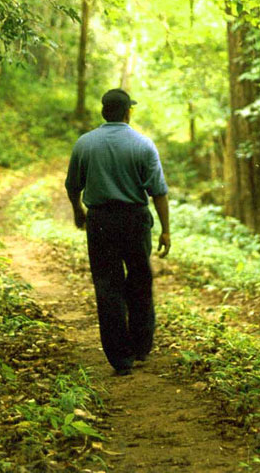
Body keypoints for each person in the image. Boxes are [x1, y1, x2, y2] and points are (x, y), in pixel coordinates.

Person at [65, 88, 171, 376]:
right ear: (128, 112)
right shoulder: (143, 145)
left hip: (100, 222)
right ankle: (140, 346)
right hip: (135, 220)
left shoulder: (85, 144)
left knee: (107, 285)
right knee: (139, 279)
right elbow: (158, 192)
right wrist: (165, 230)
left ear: (103, 112)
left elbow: (73, 185)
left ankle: (119, 358)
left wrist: (78, 210)